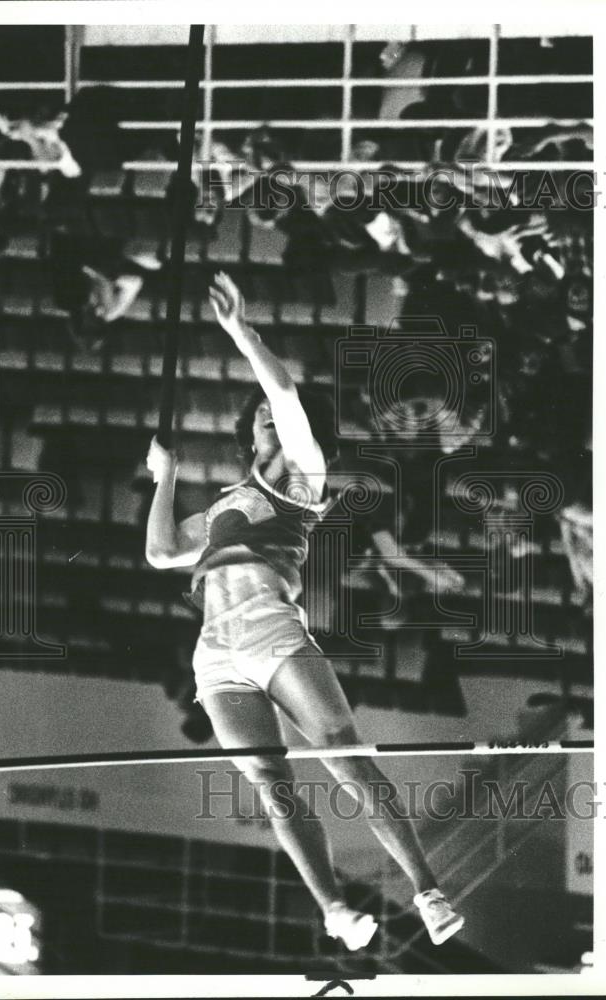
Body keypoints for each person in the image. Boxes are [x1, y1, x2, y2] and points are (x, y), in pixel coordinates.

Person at [145, 272, 465, 952]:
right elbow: (161, 552)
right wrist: (164, 478)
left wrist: (241, 332)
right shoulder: (229, 501)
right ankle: (334, 911)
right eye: (256, 410)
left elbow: (285, 391)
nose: (266, 409)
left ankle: (428, 891)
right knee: (270, 785)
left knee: (346, 763)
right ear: (245, 428)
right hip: (216, 652)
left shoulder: (303, 475)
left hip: (270, 631)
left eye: (273, 409)